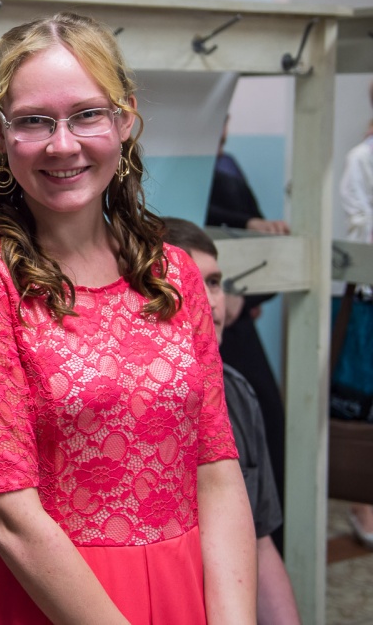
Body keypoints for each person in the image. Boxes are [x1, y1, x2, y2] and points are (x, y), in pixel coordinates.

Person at [0, 12, 256, 624]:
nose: (63, 144)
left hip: (186, 583)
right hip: (54, 599)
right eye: (34, 120)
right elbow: (10, 515)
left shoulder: (174, 273)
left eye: (87, 114)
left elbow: (216, 469)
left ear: (124, 119)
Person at [163, 217, 301, 625]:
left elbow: (260, 541)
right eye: (190, 281)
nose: (211, 302)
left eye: (215, 282)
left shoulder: (238, 393)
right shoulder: (123, 407)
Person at [207, 115, 289, 551]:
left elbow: (256, 232)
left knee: (264, 426)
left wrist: (245, 293)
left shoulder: (229, 167)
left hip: (241, 330)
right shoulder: (194, 169)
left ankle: (270, 542)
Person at [336, 86, 373, 549]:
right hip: (368, 296)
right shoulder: (362, 158)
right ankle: (364, 502)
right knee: (365, 403)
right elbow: (360, 223)